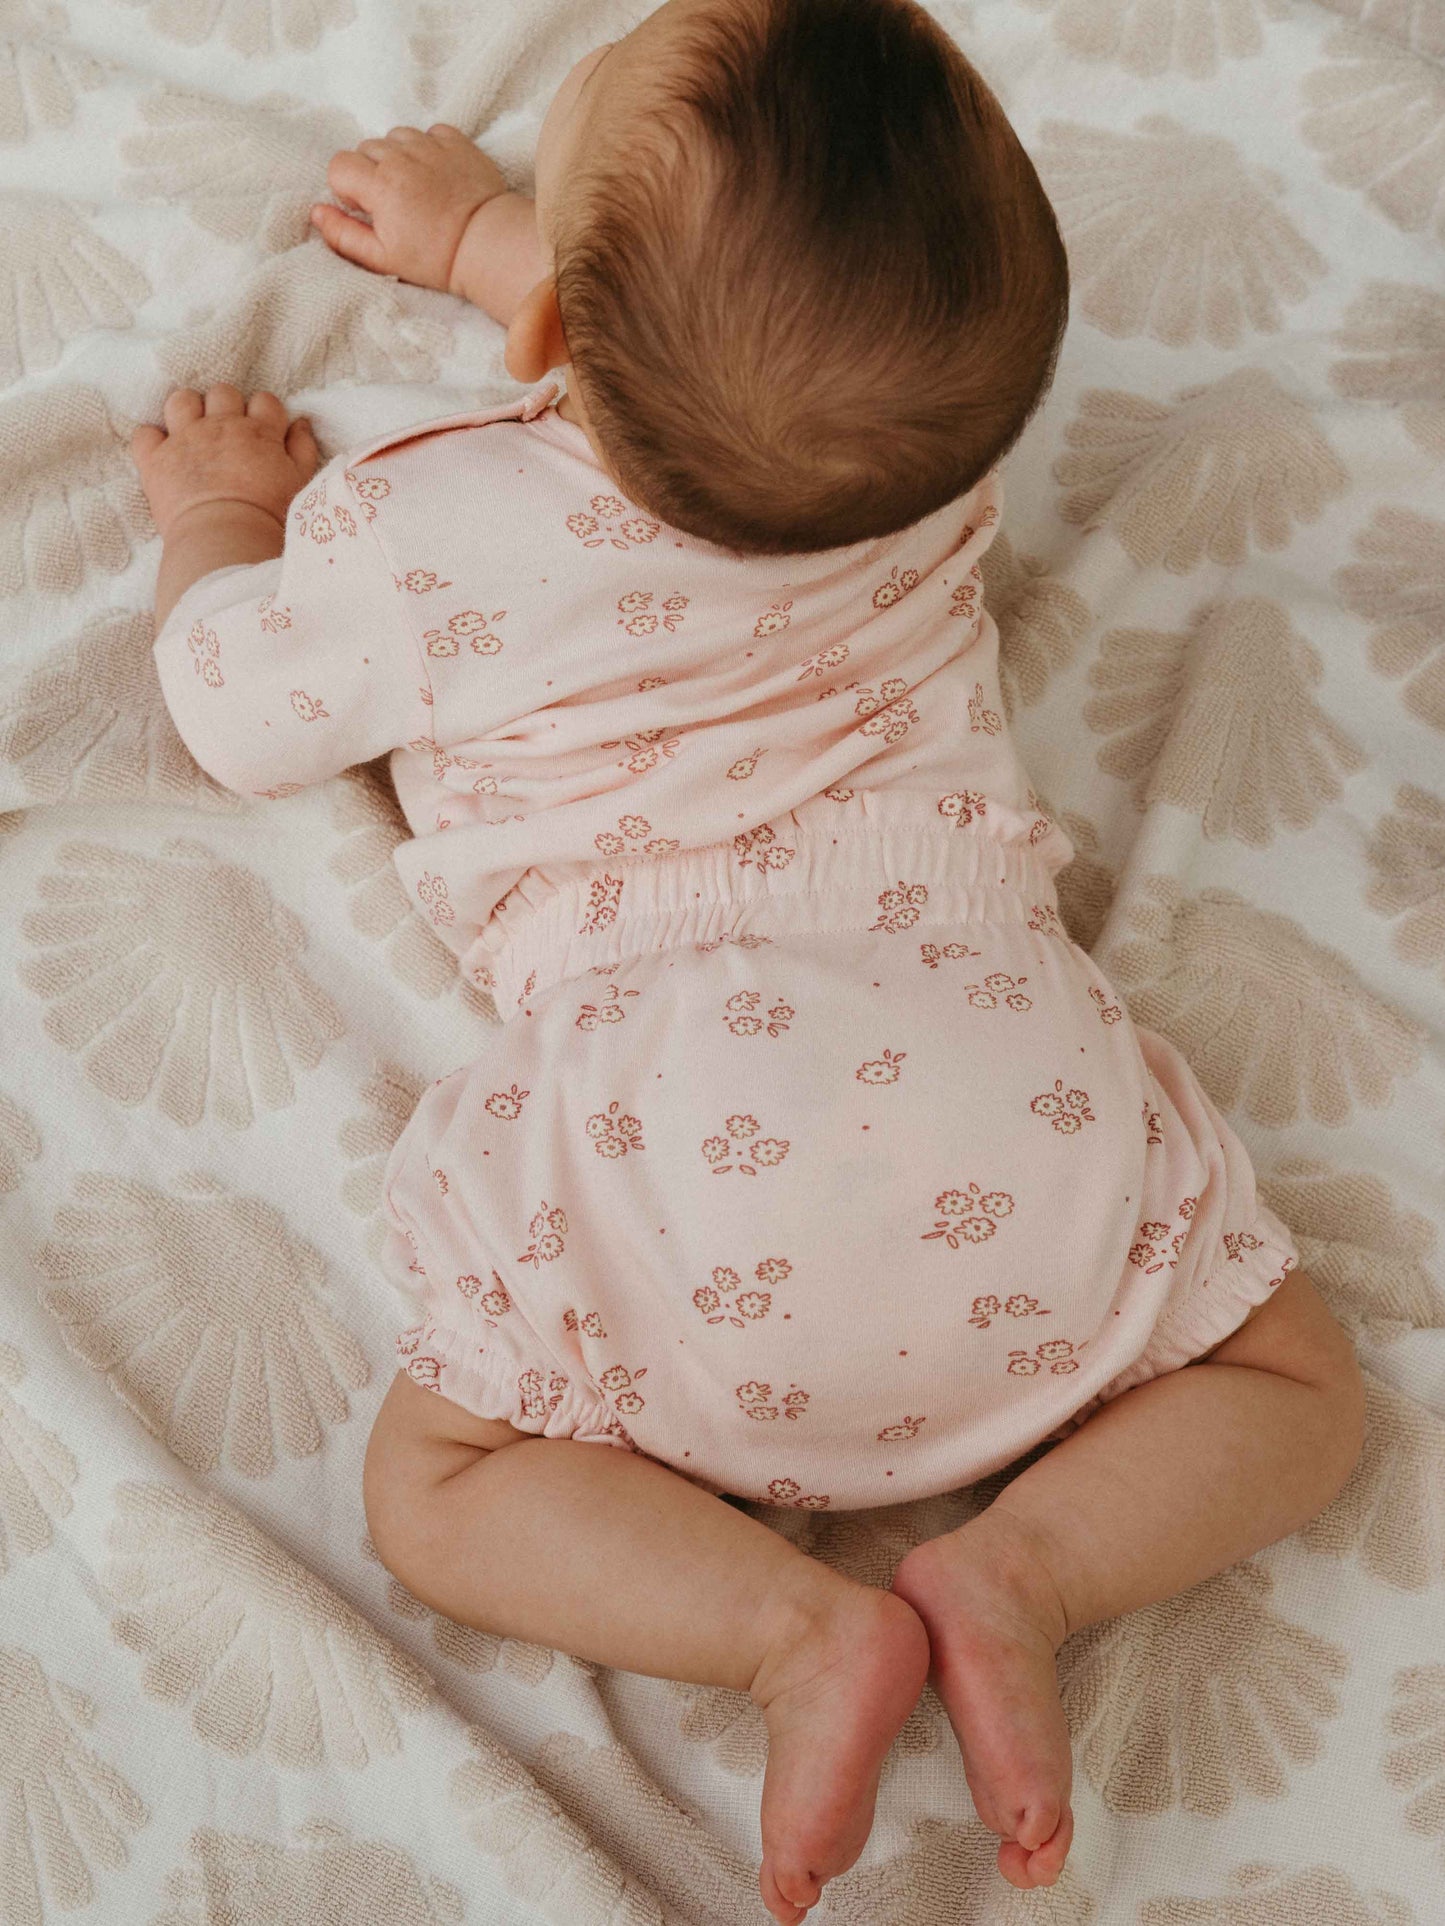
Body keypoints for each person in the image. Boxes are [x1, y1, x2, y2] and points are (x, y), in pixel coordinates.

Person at [132, 3, 1366, 1919]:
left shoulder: (413, 527)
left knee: (439, 1480)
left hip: (659, 1140)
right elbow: (734, 344)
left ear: (547, 338)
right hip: (994, 1073)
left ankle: (785, 1629)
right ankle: (1021, 1567)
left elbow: (233, 705)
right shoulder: (916, 468)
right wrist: (490, 241)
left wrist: (220, 522)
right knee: (1295, 1385)